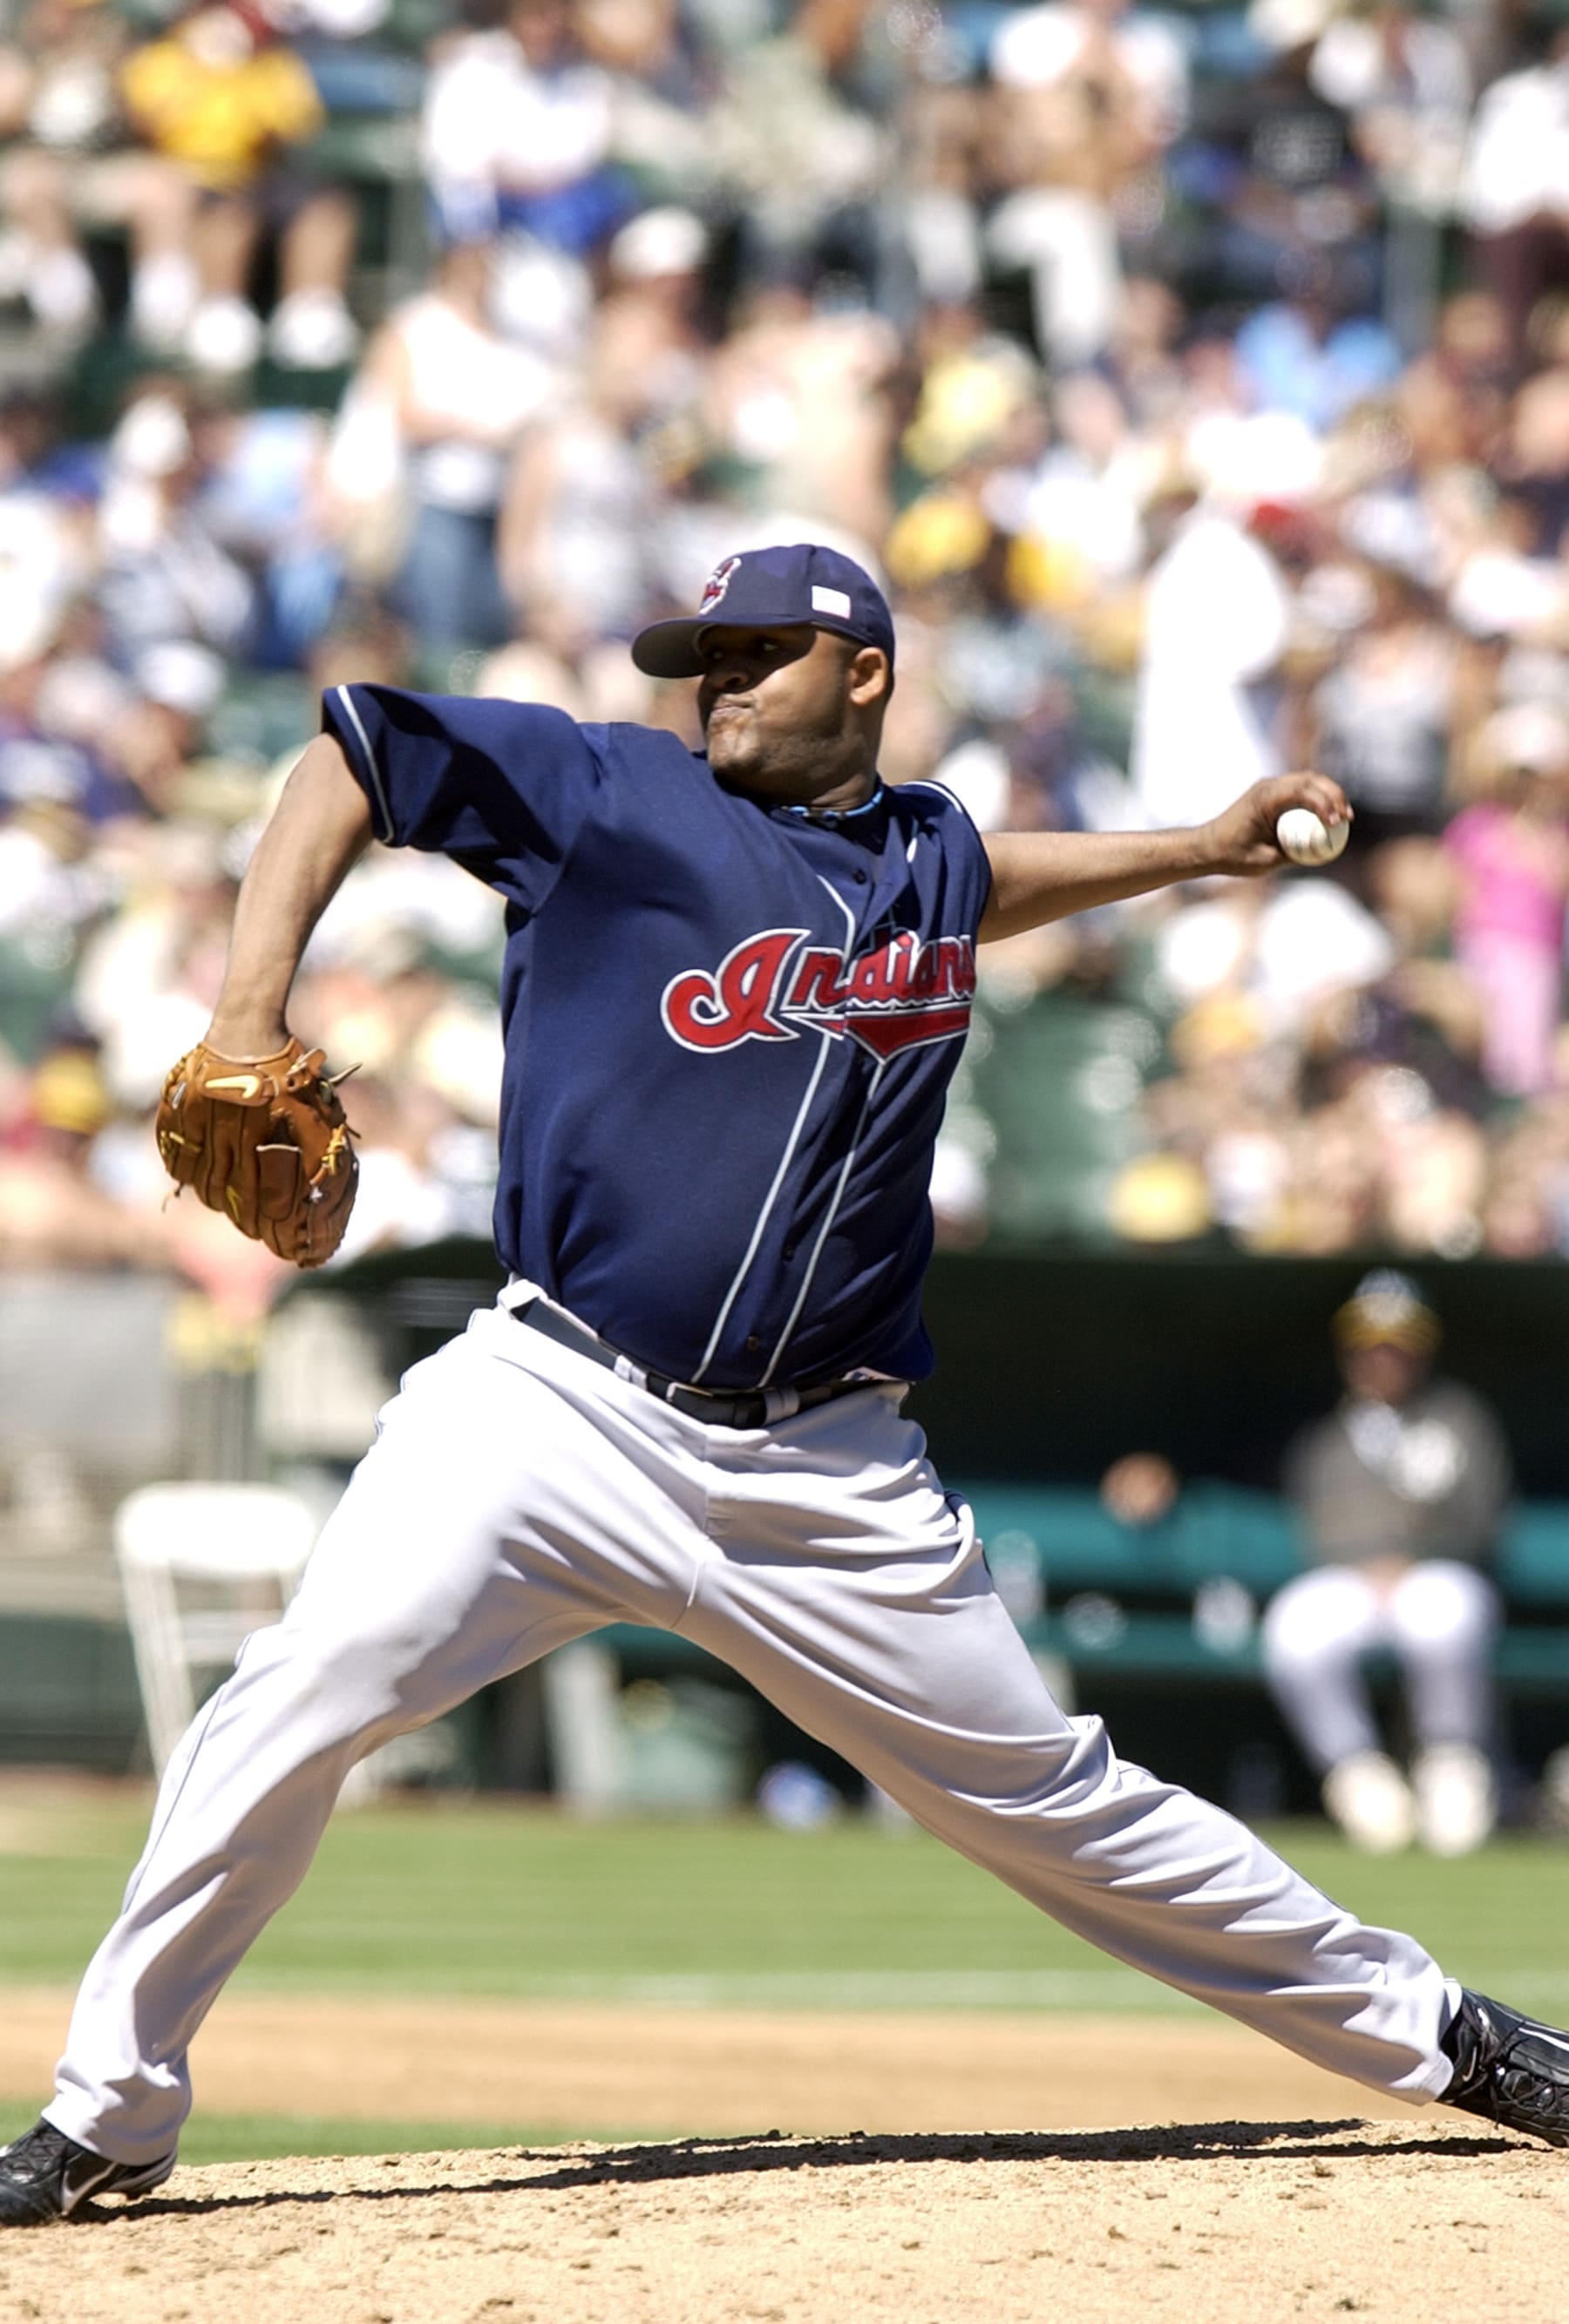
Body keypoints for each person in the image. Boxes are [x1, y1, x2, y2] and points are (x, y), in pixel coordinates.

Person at [2, 540, 1566, 2229]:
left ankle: (1450, 2033)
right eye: (706, 651)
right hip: (555, 1413)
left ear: (867, 674)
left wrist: (1191, 849)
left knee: (1057, 1799)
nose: (719, 676)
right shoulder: (614, 794)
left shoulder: (927, 858)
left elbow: (987, 877)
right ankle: (110, 2113)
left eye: (760, 649)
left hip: (827, 1469)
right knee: (292, 1695)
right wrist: (247, 1002)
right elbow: (349, 753)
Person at [1263, 1269, 1511, 1858]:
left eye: (1397, 1342)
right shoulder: (1324, 1434)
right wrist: (1360, 1563)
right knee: (1296, 1626)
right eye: (1369, 1343)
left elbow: (1483, 1520)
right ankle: (1357, 1775)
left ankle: (1453, 1765)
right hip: (1348, 1580)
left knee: (1442, 1611)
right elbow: (1313, 1518)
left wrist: (1417, 1554)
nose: (1382, 1356)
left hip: (1432, 1573)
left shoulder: (1459, 1418)